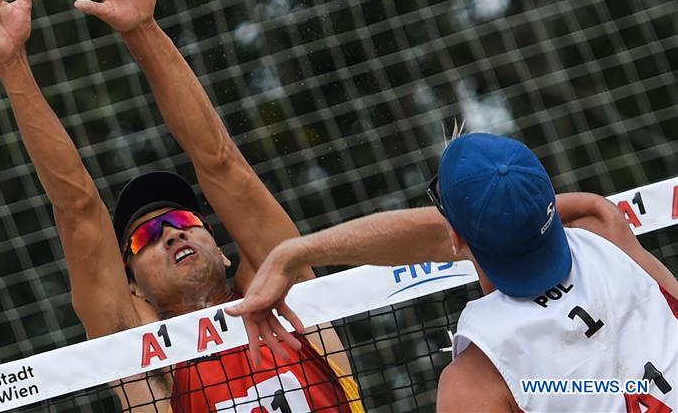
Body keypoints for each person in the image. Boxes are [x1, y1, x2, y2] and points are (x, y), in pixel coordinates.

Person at [0, 0, 460, 412]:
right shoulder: (146, 367)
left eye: (181, 222)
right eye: (145, 238)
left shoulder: (290, 296)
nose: (171, 235)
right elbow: (78, 208)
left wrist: (143, 29)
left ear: (226, 251)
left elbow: (219, 161)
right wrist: (11, 63)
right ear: (134, 290)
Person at [228, 133, 678, 412]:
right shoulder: (602, 227)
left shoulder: (473, 382)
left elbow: (439, 234)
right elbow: (499, 223)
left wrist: (293, 253)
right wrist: (293, 252)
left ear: (457, 241)